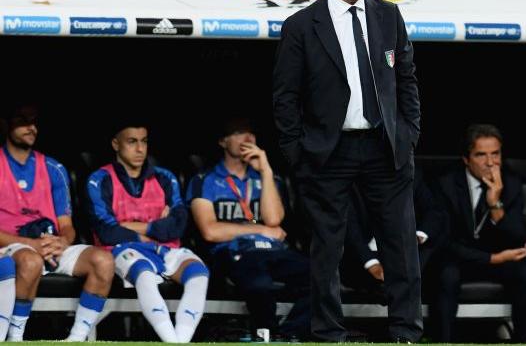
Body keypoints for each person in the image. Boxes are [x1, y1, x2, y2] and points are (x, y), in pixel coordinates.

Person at [272, 0, 422, 342]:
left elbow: (405, 79)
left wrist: (408, 134)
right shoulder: (301, 26)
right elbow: (286, 97)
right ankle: (327, 332)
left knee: (400, 242)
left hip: (383, 146)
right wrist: (296, 151)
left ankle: (406, 332)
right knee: (326, 247)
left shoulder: (389, 16)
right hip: (327, 150)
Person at [187, 117, 310, 339]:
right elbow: (210, 231)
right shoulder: (204, 179)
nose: (248, 138)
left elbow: (273, 220)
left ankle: (284, 336)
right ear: (223, 141)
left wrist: (265, 170)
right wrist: (259, 230)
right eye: (239, 132)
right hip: (233, 252)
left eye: (251, 133)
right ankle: (268, 333)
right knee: (259, 282)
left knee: (321, 275)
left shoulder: (266, 178)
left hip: (271, 250)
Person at [86, 120, 209, 343]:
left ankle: (181, 339)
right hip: (120, 250)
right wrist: (157, 227)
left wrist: (130, 224)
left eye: (144, 141)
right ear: (116, 144)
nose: (140, 149)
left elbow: (179, 225)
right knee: (144, 273)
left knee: (199, 273)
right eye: (132, 142)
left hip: (166, 248)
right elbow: (107, 231)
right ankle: (172, 341)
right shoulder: (100, 179)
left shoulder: (165, 177)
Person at [0, 103, 114, 342]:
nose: (31, 128)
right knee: (29, 261)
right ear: (6, 124)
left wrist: (62, 242)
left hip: (50, 246)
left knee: (103, 261)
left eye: (34, 122)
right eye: (23, 121)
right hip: (10, 247)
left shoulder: (54, 168)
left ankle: (75, 339)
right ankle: (15, 338)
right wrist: (30, 244)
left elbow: (67, 225)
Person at [434, 124, 526, 342]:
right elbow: (444, 241)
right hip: (459, 258)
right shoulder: (446, 184)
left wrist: (495, 204)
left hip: (501, 259)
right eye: (481, 155)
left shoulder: (511, 182)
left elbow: (518, 238)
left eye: (495, 154)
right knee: (446, 275)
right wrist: (491, 258)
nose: (491, 162)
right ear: (466, 159)